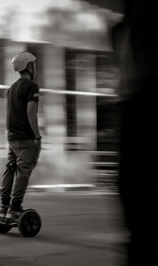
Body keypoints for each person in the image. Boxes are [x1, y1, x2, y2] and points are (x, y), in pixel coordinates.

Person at [111, 1, 158, 265]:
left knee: (137, 186)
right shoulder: (121, 27)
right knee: (130, 185)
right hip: (132, 104)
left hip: (147, 99)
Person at [0, 51, 42, 223]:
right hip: (25, 137)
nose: (35, 67)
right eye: (34, 64)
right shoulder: (32, 87)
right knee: (23, 172)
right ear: (28, 66)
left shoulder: (11, 88)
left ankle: (3, 207)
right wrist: (36, 135)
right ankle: (15, 208)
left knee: (10, 168)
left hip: (12, 136)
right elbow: (31, 112)